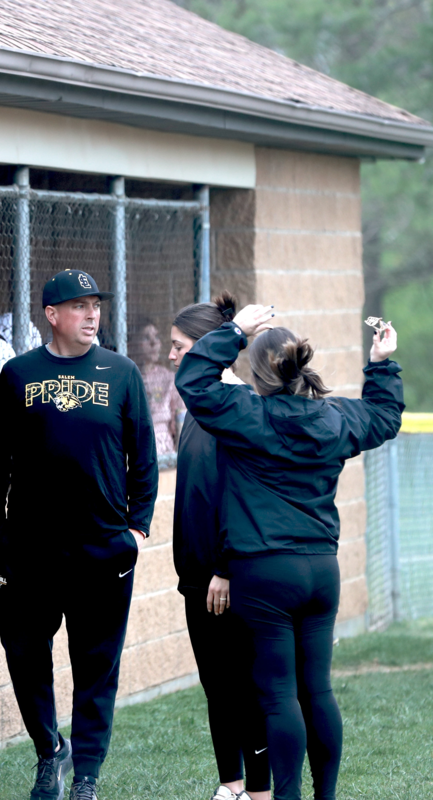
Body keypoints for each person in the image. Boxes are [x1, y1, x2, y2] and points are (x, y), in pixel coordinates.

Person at [175, 305, 403, 800]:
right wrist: (380, 362)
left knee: (279, 694)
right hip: (322, 571)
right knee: (316, 690)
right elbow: (385, 417)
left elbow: (193, 379)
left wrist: (234, 332)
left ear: (257, 374)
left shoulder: (247, 415)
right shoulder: (334, 417)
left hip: (265, 573)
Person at [0, 269, 158, 800]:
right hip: (29, 551)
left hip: (103, 548)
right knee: (26, 656)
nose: (91, 314)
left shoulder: (121, 373)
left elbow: (143, 456)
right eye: (78, 306)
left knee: (97, 665)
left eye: (95, 305)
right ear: (51, 316)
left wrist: (137, 530)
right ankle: (47, 750)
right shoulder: (18, 374)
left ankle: (86, 776)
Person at [168, 294, 270, 800]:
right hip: (195, 574)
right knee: (214, 684)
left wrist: (226, 569)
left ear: (209, 350)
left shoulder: (237, 407)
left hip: (227, 576)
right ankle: (229, 785)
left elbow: (243, 497)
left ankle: (258, 790)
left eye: (179, 347)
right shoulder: (197, 406)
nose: (170, 355)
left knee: (244, 687)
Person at [131, 320, 184, 455]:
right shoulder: (129, 376)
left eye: (157, 337)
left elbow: (180, 419)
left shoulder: (168, 378)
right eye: (146, 338)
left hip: (163, 448)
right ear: (134, 345)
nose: (153, 343)